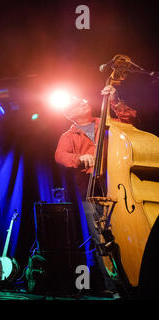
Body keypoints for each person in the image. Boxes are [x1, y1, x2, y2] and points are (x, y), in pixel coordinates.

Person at [55, 85, 136, 297]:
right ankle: (114, 287)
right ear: (70, 114)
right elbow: (60, 155)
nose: (84, 100)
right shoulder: (68, 136)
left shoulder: (107, 122)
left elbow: (129, 119)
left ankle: (138, 278)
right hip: (91, 190)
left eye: (83, 99)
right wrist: (79, 158)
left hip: (119, 184)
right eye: (78, 102)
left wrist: (114, 98)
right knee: (101, 240)